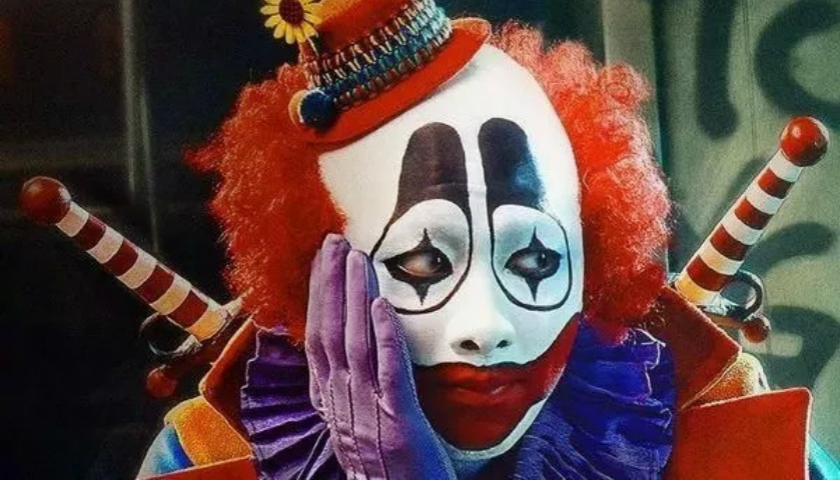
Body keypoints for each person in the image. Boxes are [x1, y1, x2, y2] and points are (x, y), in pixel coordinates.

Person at [137, 0, 838, 478]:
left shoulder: (717, 422)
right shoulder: (208, 454)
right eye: (421, 260)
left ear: (592, 261)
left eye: (534, 257)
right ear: (314, 278)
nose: (486, 327)